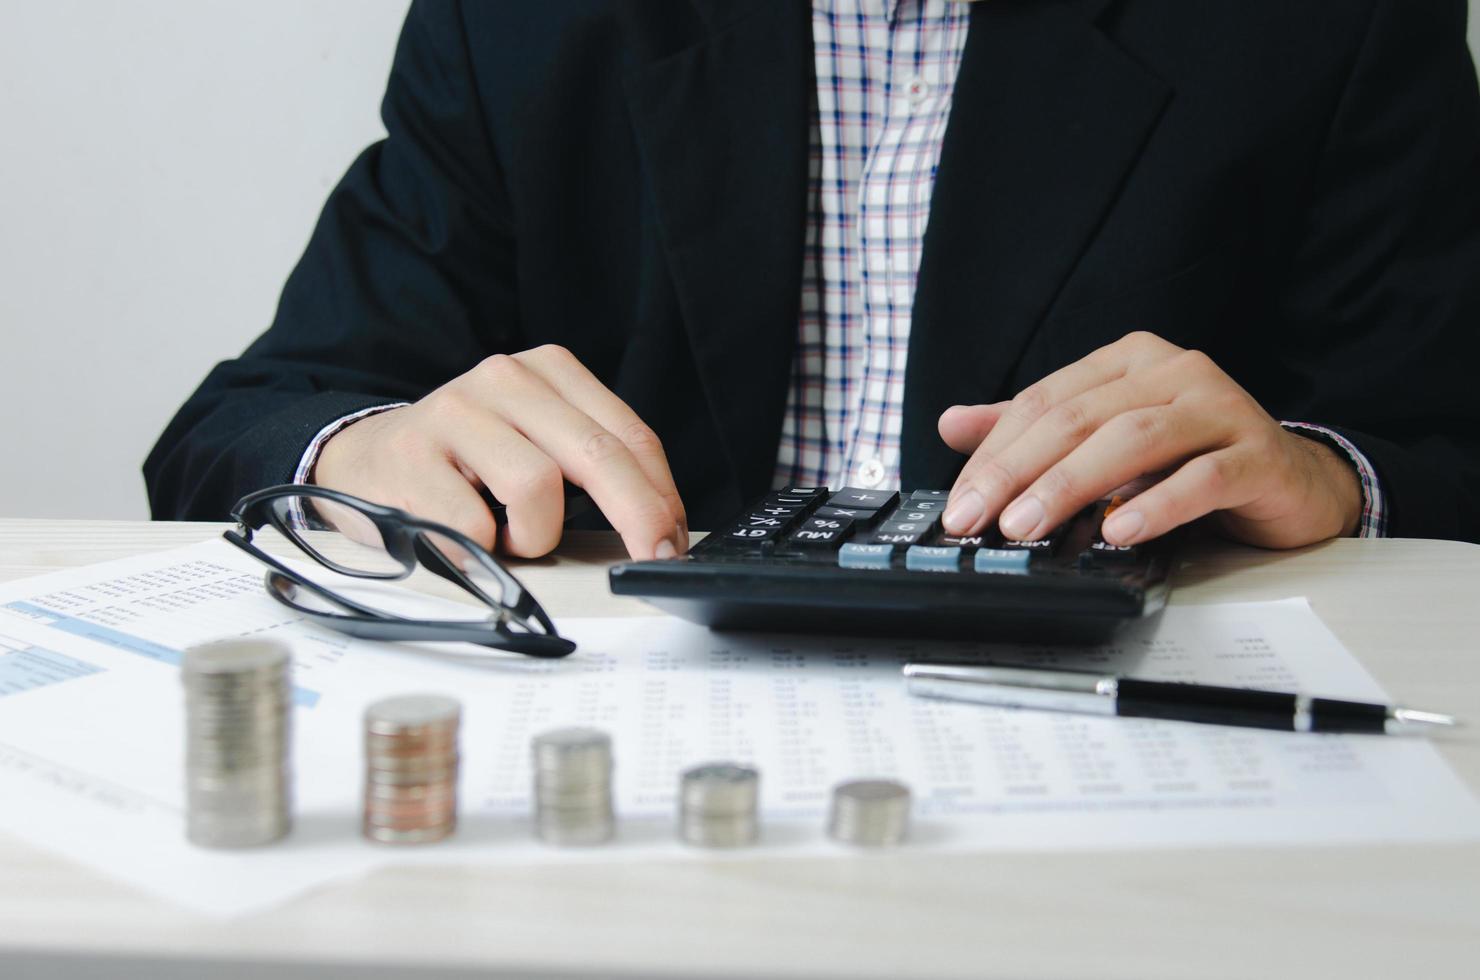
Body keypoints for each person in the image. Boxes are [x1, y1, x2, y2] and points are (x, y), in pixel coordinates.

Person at [146, 0, 1480, 559]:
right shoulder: (521, 20)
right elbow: (230, 435)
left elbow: (1449, 446)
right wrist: (367, 449)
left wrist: (1326, 476)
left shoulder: (1337, 20)